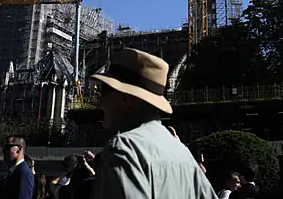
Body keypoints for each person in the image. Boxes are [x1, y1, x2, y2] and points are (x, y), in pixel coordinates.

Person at [90, 48, 215, 199]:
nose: (99, 100)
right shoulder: (183, 152)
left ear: (125, 99)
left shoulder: (125, 148)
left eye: (103, 90)